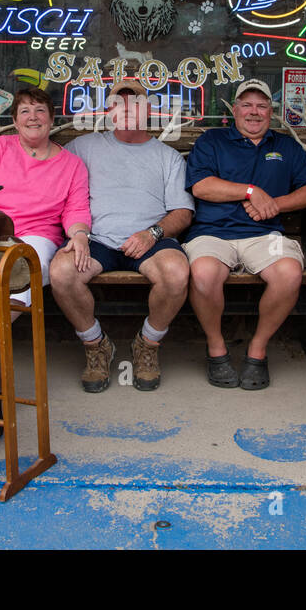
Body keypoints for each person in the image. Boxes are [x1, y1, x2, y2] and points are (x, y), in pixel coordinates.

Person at [50, 79, 193, 392]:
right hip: (96, 239)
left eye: (136, 104)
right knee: (61, 273)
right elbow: (47, 171)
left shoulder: (167, 156)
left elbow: (183, 213)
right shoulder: (82, 147)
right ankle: (96, 346)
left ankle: (148, 345)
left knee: (177, 272)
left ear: (149, 110)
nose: (127, 110)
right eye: (119, 104)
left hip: (149, 240)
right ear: (109, 111)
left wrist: (152, 233)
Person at [184, 79, 306, 390]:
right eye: (246, 104)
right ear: (234, 110)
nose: (254, 112)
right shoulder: (213, 141)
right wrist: (250, 191)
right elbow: (201, 186)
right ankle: (216, 349)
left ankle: (257, 350)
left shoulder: (285, 146)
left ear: (270, 112)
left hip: (265, 234)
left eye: (261, 106)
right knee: (204, 274)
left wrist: (274, 204)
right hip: (213, 233)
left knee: (288, 273)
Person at [0, 87, 91, 315]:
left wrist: (80, 235)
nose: (33, 117)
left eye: (40, 111)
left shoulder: (72, 164)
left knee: (24, 271)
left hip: (38, 236)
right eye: (25, 111)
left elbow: (76, 209)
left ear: (51, 119)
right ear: (15, 121)